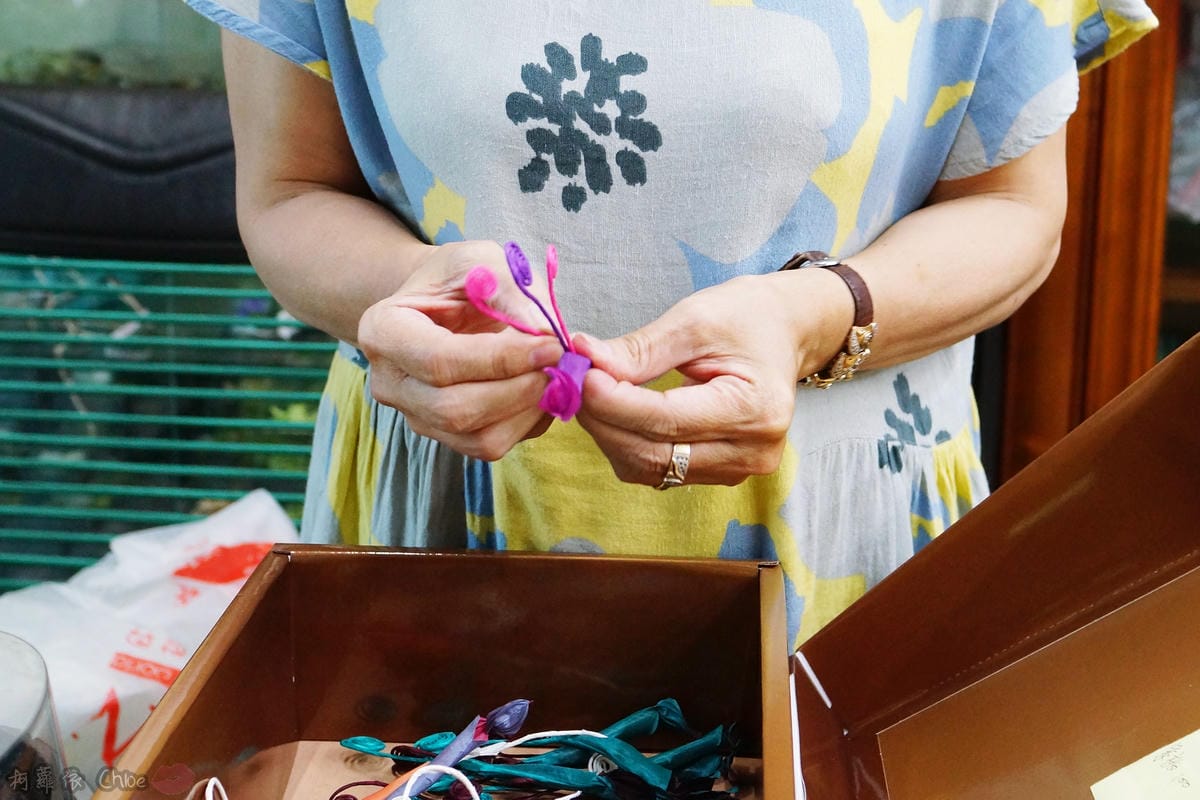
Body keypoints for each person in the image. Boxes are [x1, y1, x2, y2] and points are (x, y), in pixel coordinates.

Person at [187, 0, 1156, 648]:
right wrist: (406, 282)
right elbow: (289, 191)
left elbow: (1016, 210)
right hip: (448, 500)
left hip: (835, 535)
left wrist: (813, 316)